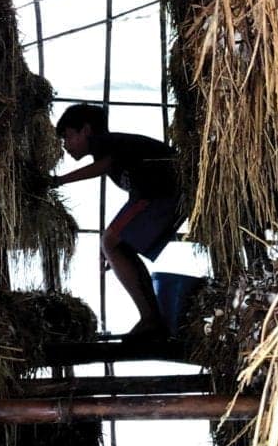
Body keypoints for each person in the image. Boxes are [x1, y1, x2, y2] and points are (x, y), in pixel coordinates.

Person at [49, 103, 182, 341]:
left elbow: (104, 166)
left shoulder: (104, 143)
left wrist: (57, 181)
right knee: (114, 245)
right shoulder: (119, 147)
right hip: (158, 193)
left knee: (110, 242)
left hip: (161, 192)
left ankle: (151, 320)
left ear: (86, 130)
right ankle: (152, 319)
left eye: (68, 137)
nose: (66, 146)